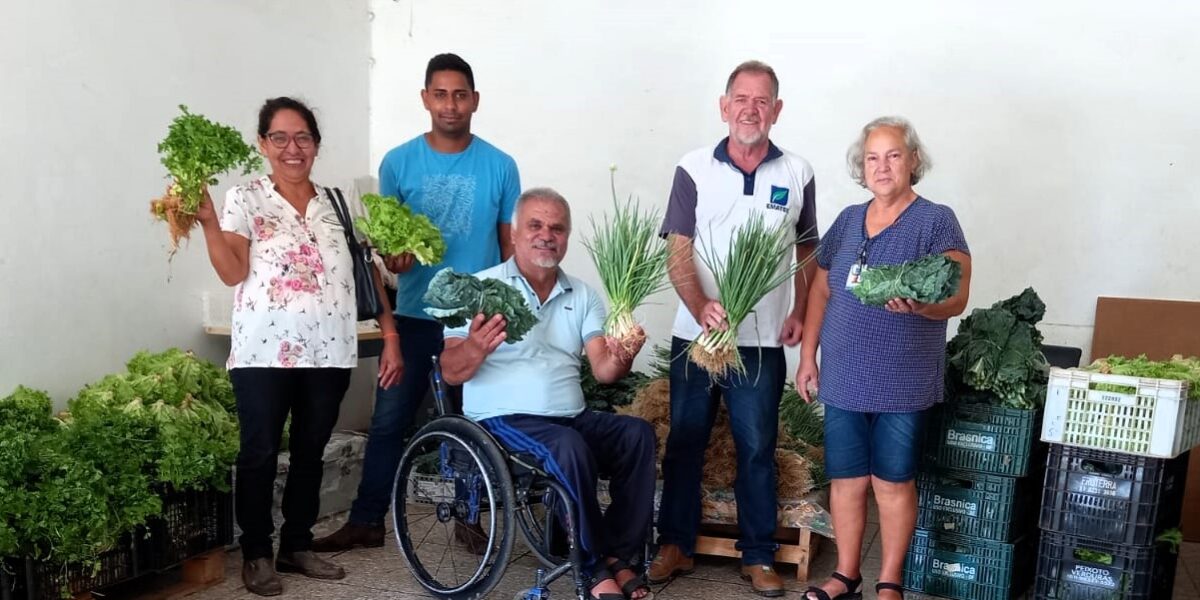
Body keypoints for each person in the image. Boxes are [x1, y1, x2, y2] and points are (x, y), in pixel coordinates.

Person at [196, 97, 404, 596]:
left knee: (312, 451)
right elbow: (233, 272)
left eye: (303, 138)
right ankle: (256, 554)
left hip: (329, 350)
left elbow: (369, 273)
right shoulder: (245, 198)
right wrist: (206, 222)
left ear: (316, 144)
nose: (293, 148)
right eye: (281, 138)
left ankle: (296, 543)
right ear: (263, 144)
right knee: (259, 453)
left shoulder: (338, 203)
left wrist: (391, 334)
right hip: (263, 352)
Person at [314, 52, 520, 552]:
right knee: (389, 421)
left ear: (475, 101)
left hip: (472, 319)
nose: (451, 105)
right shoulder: (398, 162)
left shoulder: (500, 165)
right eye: (440, 94)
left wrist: (507, 313)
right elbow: (391, 246)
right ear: (425, 99)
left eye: (460, 94)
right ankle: (367, 520)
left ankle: (471, 517)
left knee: (474, 422)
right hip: (411, 316)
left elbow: (508, 247)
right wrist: (394, 260)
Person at [650, 60, 818, 598]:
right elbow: (679, 251)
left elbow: (808, 250)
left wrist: (798, 310)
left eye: (762, 100)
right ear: (724, 107)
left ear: (777, 110)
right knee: (686, 440)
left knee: (756, 446)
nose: (750, 109)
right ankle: (674, 544)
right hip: (696, 337)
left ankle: (759, 554)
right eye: (741, 99)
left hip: (763, 341)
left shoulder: (797, 172)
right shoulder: (693, 167)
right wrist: (700, 306)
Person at [441, 188, 656, 600]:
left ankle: (619, 556)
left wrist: (625, 353)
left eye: (556, 228)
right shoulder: (477, 289)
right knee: (568, 446)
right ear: (516, 233)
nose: (546, 235)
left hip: (568, 416)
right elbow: (450, 371)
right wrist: (476, 347)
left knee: (637, 435)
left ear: (567, 237)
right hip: (502, 420)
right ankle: (591, 568)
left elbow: (604, 370)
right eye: (536, 225)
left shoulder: (583, 294)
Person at [795, 116, 971, 600]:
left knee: (891, 481)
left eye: (893, 155)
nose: (882, 166)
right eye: (873, 157)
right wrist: (808, 357)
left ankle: (889, 580)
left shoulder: (936, 220)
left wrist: (921, 305)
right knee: (846, 479)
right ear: (861, 166)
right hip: (845, 374)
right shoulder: (849, 220)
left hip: (902, 377)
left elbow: (957, 297)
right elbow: (822, 292)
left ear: (913, 161)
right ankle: (846, 574)